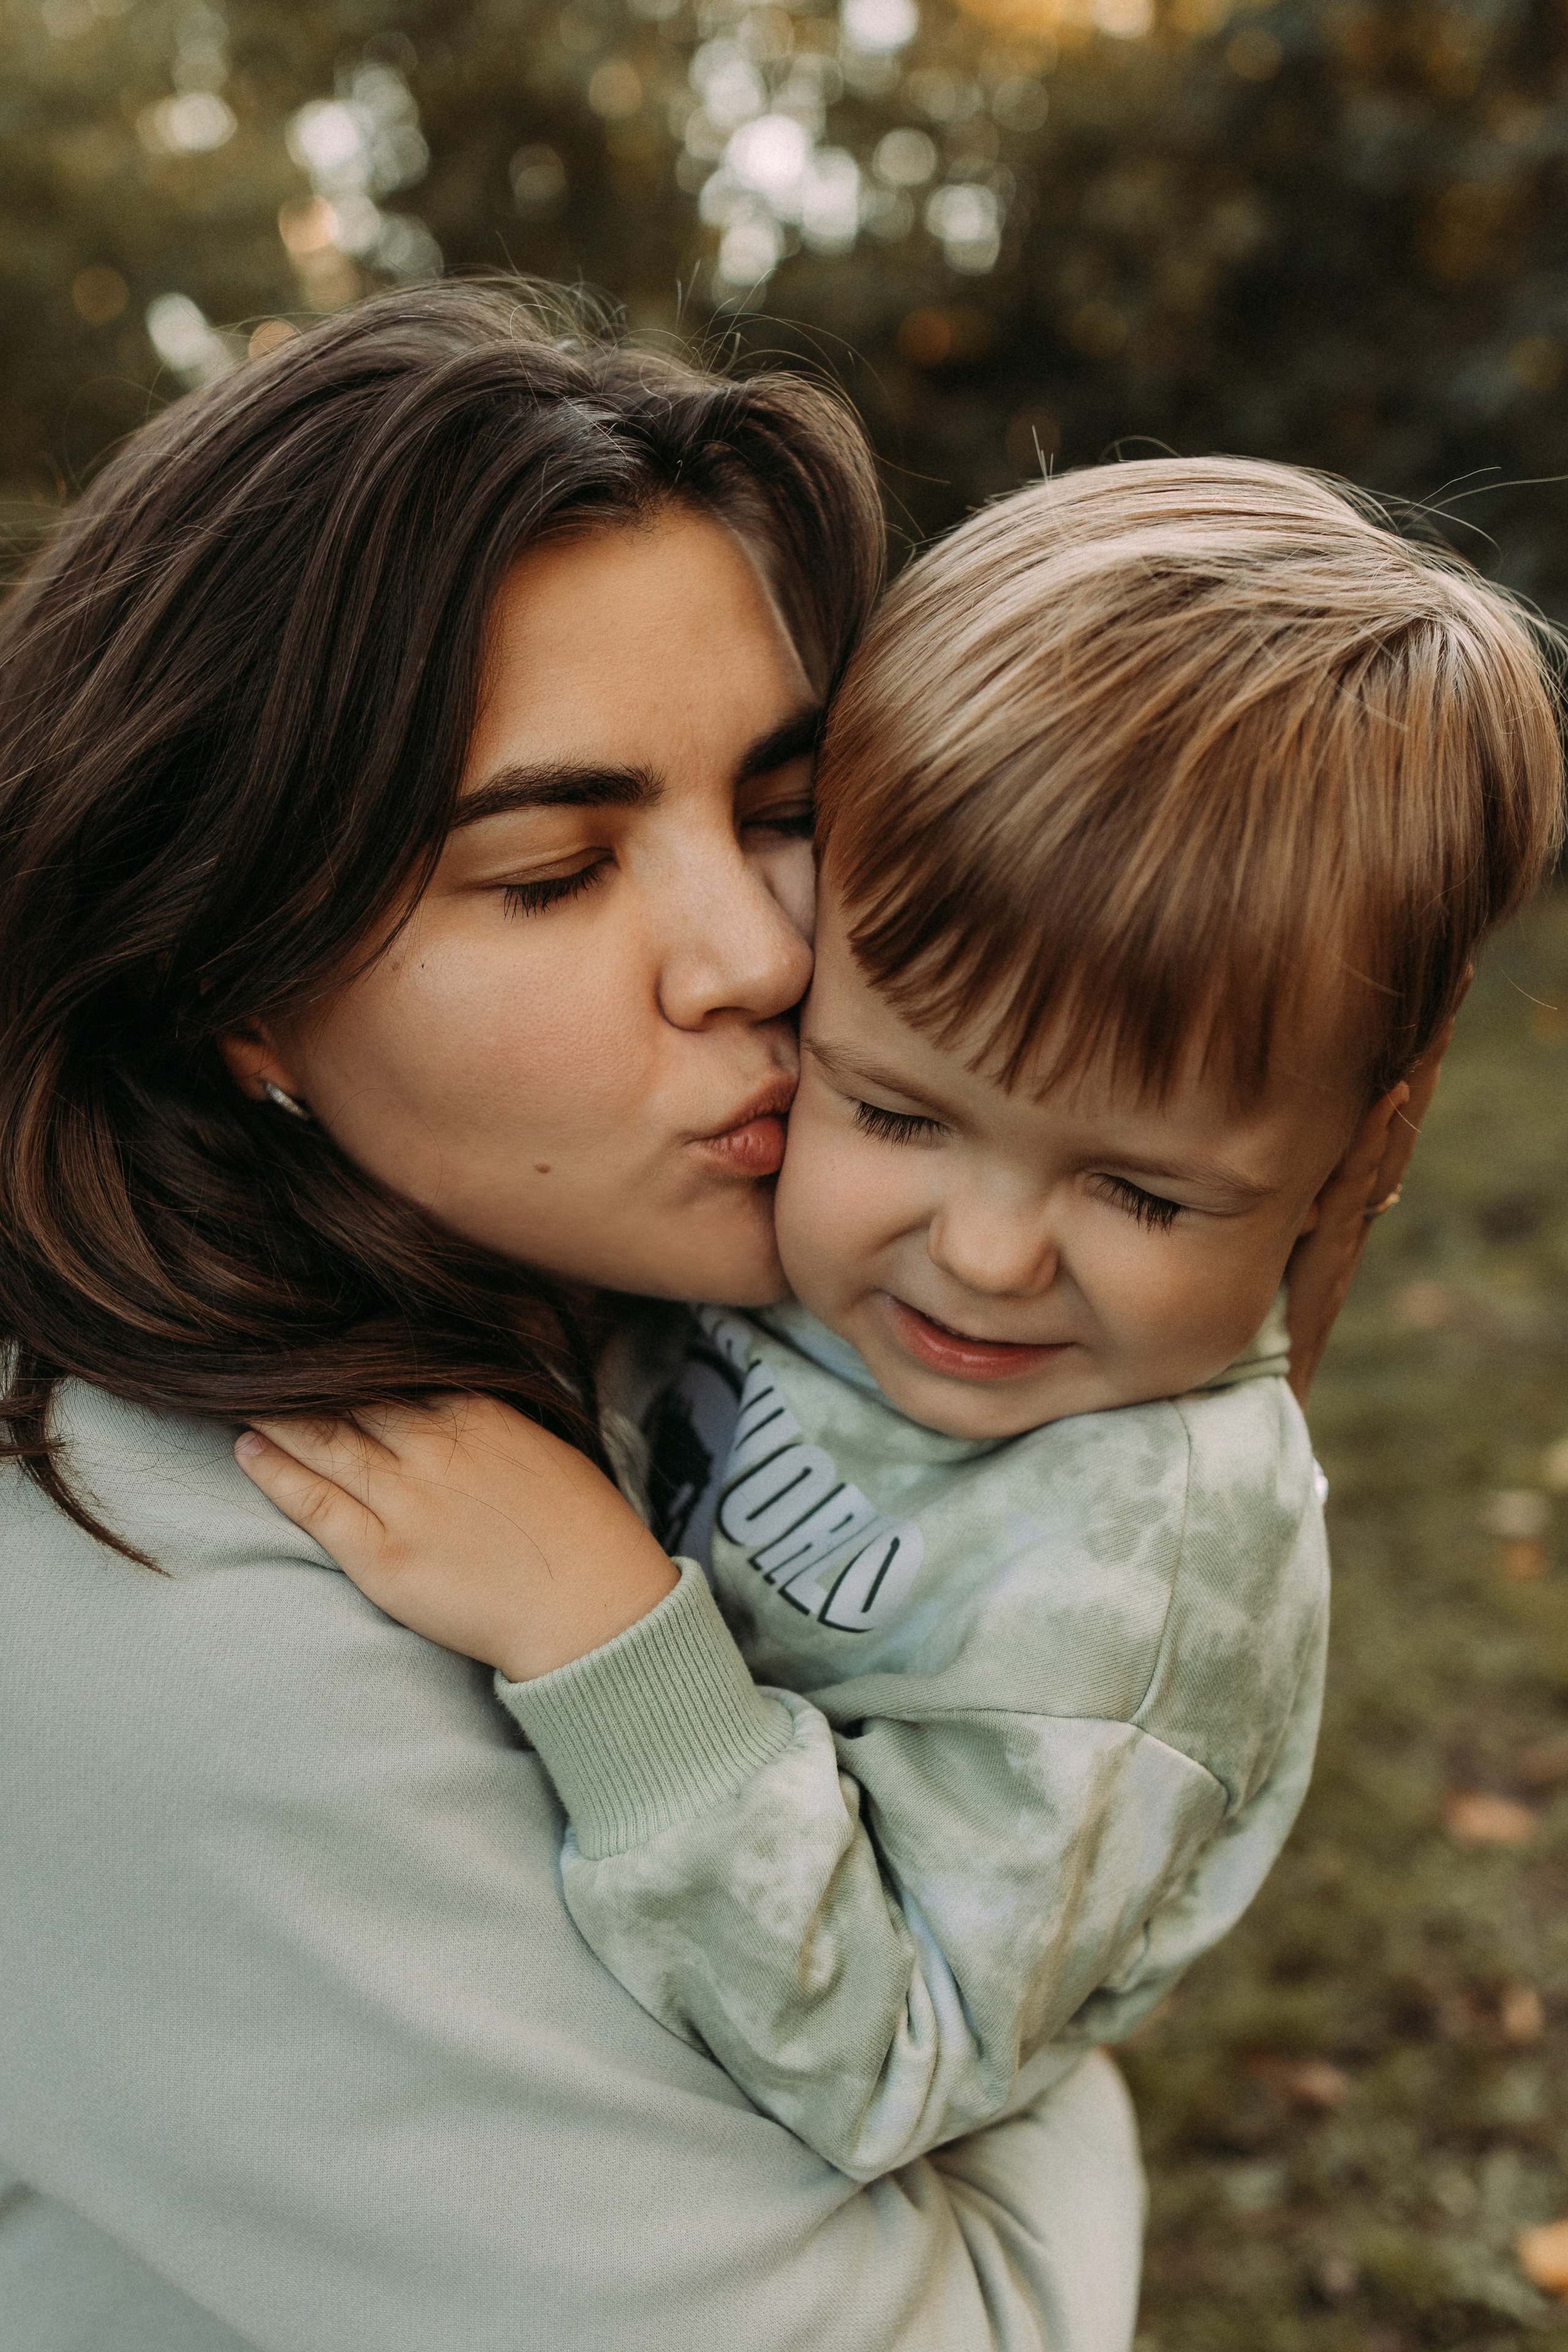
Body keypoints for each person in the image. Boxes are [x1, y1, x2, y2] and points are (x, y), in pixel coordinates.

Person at [0, 281, 1405, 2352]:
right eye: (555, 871)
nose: (756, 953)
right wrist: (1058, 2086)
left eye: (777, 808)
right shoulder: (157, 1589)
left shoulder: (606, 1298)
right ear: (239, 994)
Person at [230, 456, 1562, 2198]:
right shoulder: (746, 1211)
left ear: (1343, 1161)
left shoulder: (1145, 1593)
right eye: (897, 1114)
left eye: (1146, 1196)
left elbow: (890, 2060)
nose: (989, 1256)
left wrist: (601, 1628)